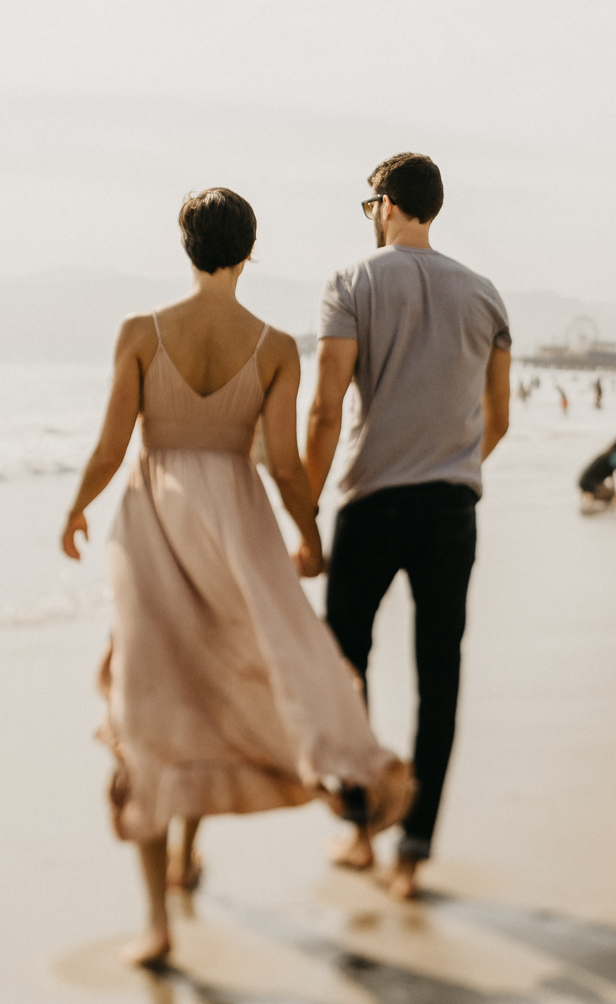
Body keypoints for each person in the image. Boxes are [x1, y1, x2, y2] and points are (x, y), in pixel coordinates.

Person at [60, 187, 412, 967]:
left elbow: (113, 444)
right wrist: (309, 535)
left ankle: (156, 920)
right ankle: (188, 855)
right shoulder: (276, 346)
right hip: (238, 532)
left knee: (155, 697)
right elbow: (284, 467)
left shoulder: (141, 333)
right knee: (217, 681)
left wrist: (76, 508)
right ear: (249, 252)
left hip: (155, 526)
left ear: (185, 246)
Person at [306, 153, 512, 902]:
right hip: (451, 509)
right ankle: (414, 850)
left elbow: (326, 408)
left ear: (387, 203)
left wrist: (304, 510)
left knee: (344, 666)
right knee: (440, 674)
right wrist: (452, 460)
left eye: (370, 204)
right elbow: (500, 417)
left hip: (372, 503)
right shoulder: (485, 295)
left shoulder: (351, 283)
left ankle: (361, 827)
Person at [577, 437, 616, 506]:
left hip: (584, 480)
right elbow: (614, 473)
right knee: (611, 495)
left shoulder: (608, 453)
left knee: (611, 494)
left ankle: (589, 495)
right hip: (590, 482)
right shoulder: (615, 455)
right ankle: (590, 495)